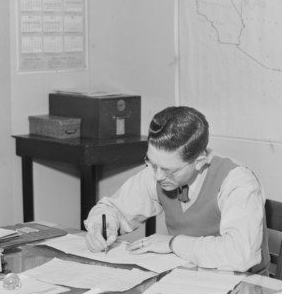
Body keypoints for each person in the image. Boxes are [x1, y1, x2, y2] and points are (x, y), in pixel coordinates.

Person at [85, 106, 270, 274]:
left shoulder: (237, 181)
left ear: (198, 163)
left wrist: (173, 243)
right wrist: (100, 227)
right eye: (151, 162)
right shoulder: (159, 171)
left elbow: (240, 254)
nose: (157, 176)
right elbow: (113, 208)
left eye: (169, 170)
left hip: (241, 291)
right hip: (187, 281)